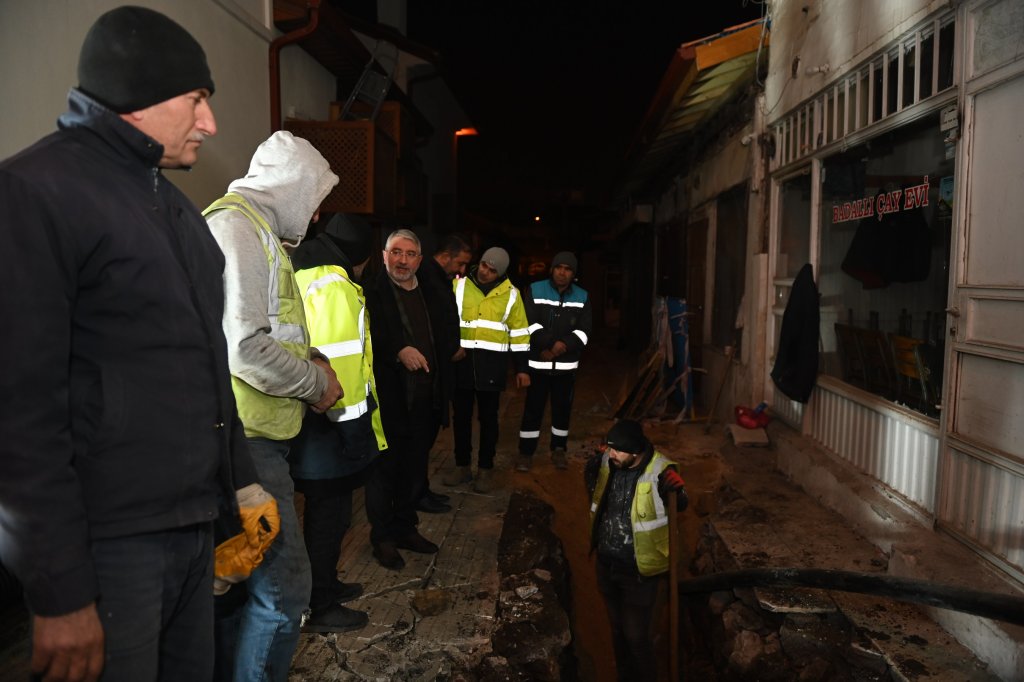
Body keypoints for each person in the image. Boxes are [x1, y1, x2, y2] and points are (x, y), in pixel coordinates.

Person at [0, 6, 272, 681]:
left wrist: (239, 482)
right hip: (106, 546)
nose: (209, 123)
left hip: (191, 526)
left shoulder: (176, 210)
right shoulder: (34, 193)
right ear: (138, 95)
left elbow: (207, 365)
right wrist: (60, 591)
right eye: (197, 100)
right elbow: (18, 411)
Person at [205, 130, 343, 681]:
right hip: (248, 443)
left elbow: (260, 330)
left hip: (261, 440)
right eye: (313, 202)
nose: (314, 219)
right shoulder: (237, 228)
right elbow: (243, 348)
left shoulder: (258, 233)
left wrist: (306, 355)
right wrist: (315, 383)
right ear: (291, 189)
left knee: (246, 589)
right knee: (285, 594)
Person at [288, 213, 386, 632]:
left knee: (321, 512)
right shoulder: (336, 287)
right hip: (330, 422)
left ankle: (324, 583)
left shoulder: (301, 268)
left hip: (305, 416)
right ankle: (320, 603)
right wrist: (355, 435)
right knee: (330, 516)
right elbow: (341, 368)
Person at [364, 229, 460, 570]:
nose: (402, 260)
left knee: (415, 467)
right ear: (385, 253)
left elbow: (446, 329)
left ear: (419, 260)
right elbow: (368, 338)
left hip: (427, 397)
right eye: (396, 252)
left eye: (409, 254)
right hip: (391, 400)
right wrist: (397, 350)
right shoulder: (371, 290)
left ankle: (406, 528)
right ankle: (383, 538)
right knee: (384, 472)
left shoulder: (432, 289)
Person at [584, 419, 688, 682]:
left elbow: (680, 503)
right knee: (618, 633)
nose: (611, 454)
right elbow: (593, 488)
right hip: (607, 566)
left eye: (617, 450)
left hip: (638, 572)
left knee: (636, 637)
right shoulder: (610, 461)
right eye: (610, 449)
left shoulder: (660, 471)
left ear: (635, 452)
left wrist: (678, 491)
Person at [444, 247, 531, 493]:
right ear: (479, 262)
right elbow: (446, 320)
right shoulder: (458, 286)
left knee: (489, 420)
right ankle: (462, 467)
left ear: (501, 273)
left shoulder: (512, 295)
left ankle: (485, 469)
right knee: (460, 418)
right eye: (484, 265)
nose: (486, 272)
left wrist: (522, 368)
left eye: (493, 270)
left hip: (492, 366)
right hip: (461, 363)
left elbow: (520, 333)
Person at [413, 233, 474, 514]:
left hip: (439, 368)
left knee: (427, 436)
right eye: (460, 263)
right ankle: (415, 495)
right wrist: (451, 349)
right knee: (420, 439)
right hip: (429, 370)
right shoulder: (426, 277)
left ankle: (420, 489)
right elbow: (430, 323)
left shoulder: (439, 278)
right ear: (446, 255)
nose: (462, 271)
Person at [517, 251, 592, 471]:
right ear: (551, 269)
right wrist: (549, 343)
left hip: (566, 368)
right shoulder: (535, 289)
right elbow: (528, 323)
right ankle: (526, 453)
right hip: (538, 365)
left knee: (562, 411)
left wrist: (562, 346)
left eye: (568, 269)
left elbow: (585, 331)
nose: (562, 272)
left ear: (573, 274)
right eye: (558, 267)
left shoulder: (583, 296)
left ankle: (559, 450)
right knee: (533, 410)